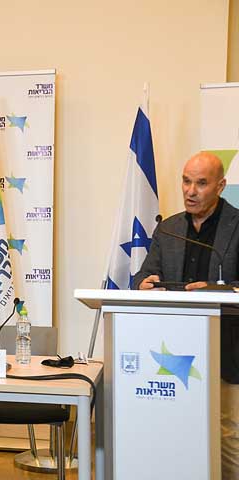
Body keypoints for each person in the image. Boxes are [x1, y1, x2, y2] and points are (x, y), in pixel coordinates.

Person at [132, 151, 239, 478]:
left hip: (227, 347)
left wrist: (217, 290)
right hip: (175, 347)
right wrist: (143, 283)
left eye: (201, 183)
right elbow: (143, 274)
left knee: (228, 433)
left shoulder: (237, 225)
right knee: (177, 427)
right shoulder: (169, 228)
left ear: (220, 186)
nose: (191, 191)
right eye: (186, 181)